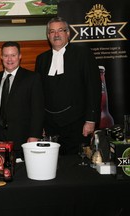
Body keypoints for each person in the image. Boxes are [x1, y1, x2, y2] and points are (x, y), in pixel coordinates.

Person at [34, 17, 101, 155]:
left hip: (77, 123)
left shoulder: (83, 54)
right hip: (50, 125)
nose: (56, 34)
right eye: (52, 31)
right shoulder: (41, 59)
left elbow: (93, 89)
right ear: (48, 36)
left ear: (68, 33)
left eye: (60, 30)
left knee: (75, 168)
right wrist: (39, 124)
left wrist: (91, 120)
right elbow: (38, 95)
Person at [0, 41, 44, 159]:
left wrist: (34, 135)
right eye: (6, 55)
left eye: (13, 55)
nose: (9, 59)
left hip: (22, 138)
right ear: (1, 57)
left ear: (20, 56)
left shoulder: (32, 78)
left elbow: (37, 110)